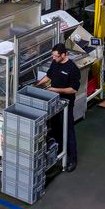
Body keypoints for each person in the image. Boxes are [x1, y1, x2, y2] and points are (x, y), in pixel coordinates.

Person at [37, 43, 80, 172]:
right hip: (54, 101)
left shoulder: (72, 69)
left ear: (63, 55)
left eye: (56, 56)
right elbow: (48, 76)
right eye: (53, 55)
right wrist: (37, 85)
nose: (53, 58)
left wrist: (54, 89)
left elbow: (73, 89)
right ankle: (59, 149)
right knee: (55, 127)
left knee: (68, 130)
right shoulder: (55, 63)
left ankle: (72, 158)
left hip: (66, 103)